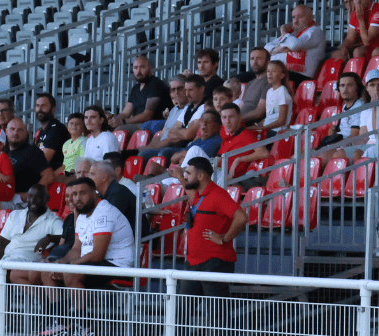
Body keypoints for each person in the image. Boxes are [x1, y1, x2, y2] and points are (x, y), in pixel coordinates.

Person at [39, 177, 136, 336]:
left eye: (82, 193)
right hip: (95, 264)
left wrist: (68, 267)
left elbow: (98, 254)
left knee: (71, 274)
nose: (77, 198)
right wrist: (60, 264)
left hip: (117, 265)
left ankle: (83, 325)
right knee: (48, 270)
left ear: (94, 192)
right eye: (74, 194)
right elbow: (76, 249)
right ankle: (61, 321)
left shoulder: (104, 212)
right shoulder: (82, 215)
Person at [179, 157, 248, 297]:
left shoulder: (218, 195)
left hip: (214, 262)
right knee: (182, 310)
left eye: (188, 173)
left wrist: (224, 238)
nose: (185, 177)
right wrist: (179, 177)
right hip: (193, 262)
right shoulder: (198, 195)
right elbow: (190, 192)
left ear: (200, 175)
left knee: (217, 312)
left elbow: (242, 217)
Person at [0, 184, 64, 285]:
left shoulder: (53, 221)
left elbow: (66, 237)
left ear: (47, 199)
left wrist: (49, 238)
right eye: (30, 196)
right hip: (3, 260)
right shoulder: (15, 215)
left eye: (38, 197)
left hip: (24, 263)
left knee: (3, 272)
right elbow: (1, 241)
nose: (33, 200)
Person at [108, 56, 169, 132]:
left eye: (142, 67)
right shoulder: (135, 88)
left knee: (119, 130)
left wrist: (123, 121)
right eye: (135, 68)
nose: (138, 71)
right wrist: (115, 120)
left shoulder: (155, 85)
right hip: (138, 124)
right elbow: (126, 112)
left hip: (150, 125)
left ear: (150, 68)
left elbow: (147, 115)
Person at [266, 4, 325, 82]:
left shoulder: (315, 31)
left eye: (300, 17)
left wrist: (284, 32)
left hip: (301, 76)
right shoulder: (293, 34)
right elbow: (266, 48)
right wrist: (280, 49)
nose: (295, 21)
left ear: (311, 18)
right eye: (293, 17)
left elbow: (294, 45)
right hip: (282, 72)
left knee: (261, 79)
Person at [262, 60, 292, 134]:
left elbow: (281, 121)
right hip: (268, 129)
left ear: (282, 75)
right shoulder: (269, 91)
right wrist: (256, 126)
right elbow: (269, 117)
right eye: (268, 71)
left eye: (273, 71)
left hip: (277, 132)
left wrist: (262, 128)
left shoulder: (282, 91)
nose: (270, 74)